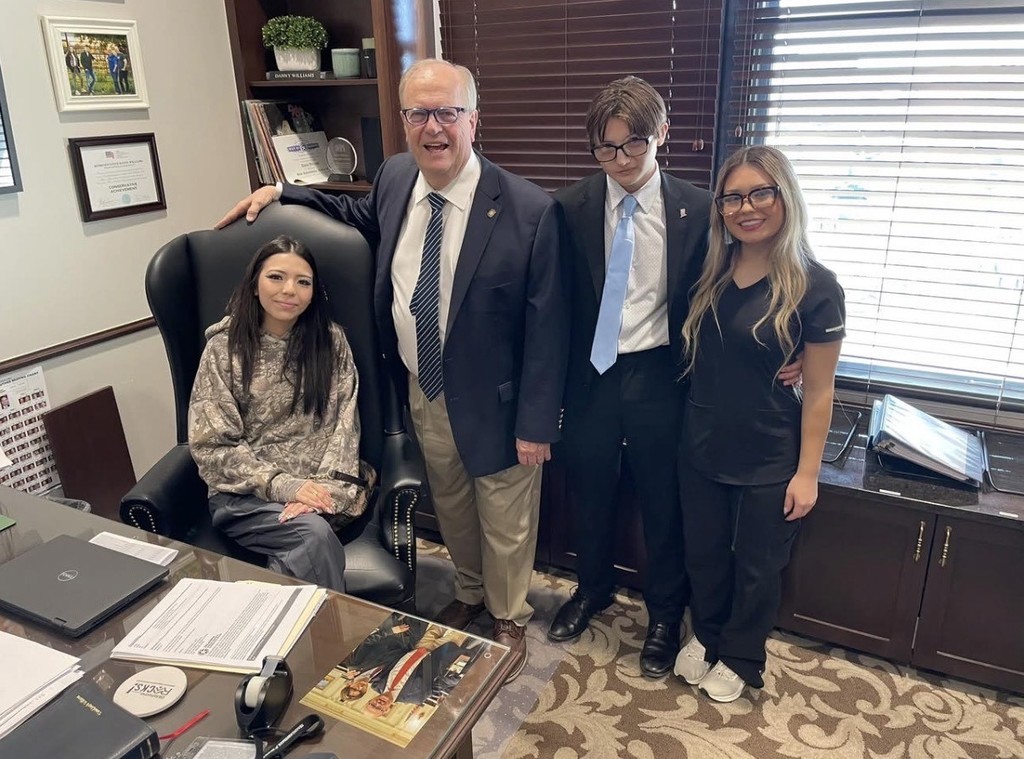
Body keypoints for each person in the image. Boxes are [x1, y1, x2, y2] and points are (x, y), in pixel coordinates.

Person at [215, 59, 569, 682]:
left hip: (500, 401)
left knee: (506, 517)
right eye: (418, 114)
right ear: (404, 121)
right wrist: (284, 192)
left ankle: (508, 615)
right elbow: (355, 216)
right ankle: (470, 590)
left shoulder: (528, 209)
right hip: (422, 387)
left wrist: (537, 423)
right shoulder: (397, 177)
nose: (433, 127)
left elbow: (550, 328)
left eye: (447, 112)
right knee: (452, 505)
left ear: (473, 120)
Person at [672, 145, 845, 702]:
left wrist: (808, 474)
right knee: (703, 555)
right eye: (732, 198)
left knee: (757, 566)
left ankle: (743, 656)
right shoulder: (711, 272)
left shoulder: (817, 286)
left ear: (785, 196)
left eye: (760, 193)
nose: (746, 208)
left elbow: (819, 391)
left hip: (769, 454)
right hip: (701, 444)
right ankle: (708, 634)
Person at [188, 235, 375, 593]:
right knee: (311, 536)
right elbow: (213, 447)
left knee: (306, 540)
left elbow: (345, 428)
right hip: (246, 496)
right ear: (254, 285)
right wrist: (286, 486)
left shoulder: (331, 343)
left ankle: (276, 622)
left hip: (321, 489)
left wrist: (322, 494)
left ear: (313, 293)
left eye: (303, 282)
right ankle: (331, 629)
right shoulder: (222, 349)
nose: (289, 290)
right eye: (276, 277)